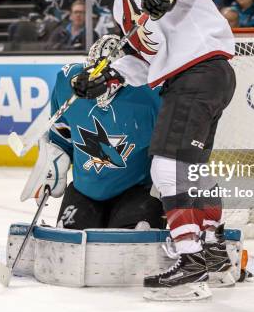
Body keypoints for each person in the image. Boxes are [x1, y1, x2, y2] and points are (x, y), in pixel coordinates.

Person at [77, 0, 236, 300]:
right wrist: (108, 77)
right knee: (190, 171)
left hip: (197, 72)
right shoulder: (121, 4)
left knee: (166, 168)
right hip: (204, 76)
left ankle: (190, 261)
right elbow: (145, 63)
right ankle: (213, 250)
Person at [23, 36, 164, 230]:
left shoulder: (152, 92)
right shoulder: (67, 83)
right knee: (69, 237)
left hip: (137, 189)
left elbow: (170, 144)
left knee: (135, 236)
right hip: (85, 191)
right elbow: (62, 135)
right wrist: (53, 164)